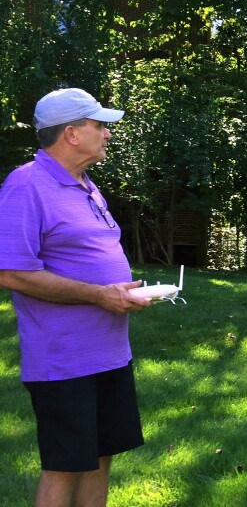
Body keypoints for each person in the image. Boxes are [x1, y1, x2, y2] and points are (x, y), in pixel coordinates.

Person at [0, 88, 153, 507]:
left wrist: (117, 292)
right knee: (65, 465)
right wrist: (99, 295)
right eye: (99, 125)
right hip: (63, 360)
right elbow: (11, 271)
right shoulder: (26, 185)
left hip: (110, 353)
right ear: (71, 133)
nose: (107, 134)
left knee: (101, 457)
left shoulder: (86, 185)